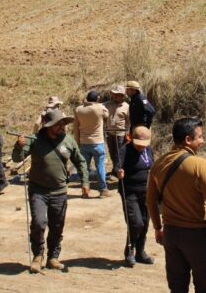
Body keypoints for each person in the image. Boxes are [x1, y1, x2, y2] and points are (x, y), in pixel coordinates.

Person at [147, 117, 206, 293]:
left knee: (177, 286)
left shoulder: (158, 164)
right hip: (198, 236)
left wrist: (157, 227)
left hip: (171, 234)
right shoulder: (201, 165)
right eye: (200, 137)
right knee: (205, 285)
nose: (202, 141)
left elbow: (150, 201)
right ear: (188, 140)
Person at [27, 108, 90, 273]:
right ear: (49, 126)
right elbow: (17, 158)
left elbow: (80, 161)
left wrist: (85, 181)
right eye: (58, 124)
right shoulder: (34, 140)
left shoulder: (69, 141)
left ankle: (53, 257)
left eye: (63, 123)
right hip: (38, 190)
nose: (62, 126)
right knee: (39, 223)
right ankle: (37, 256)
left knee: (57, 225)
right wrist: (19, 146)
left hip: (59, 191)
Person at [118, 126, 155, 268]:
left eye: (144, 145)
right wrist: (119, 172)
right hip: (130, 192)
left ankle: (140, 252)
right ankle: (129, 251)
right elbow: (117, 167)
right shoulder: (125, 150)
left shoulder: (149, 150)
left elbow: (153, 166)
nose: (141, 147)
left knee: (145, 223)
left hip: (146, 192)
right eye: (138, 144)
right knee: (136, 223)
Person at [74, 90, 111, 198]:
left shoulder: (78, 109)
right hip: (97, 143)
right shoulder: (100, 108)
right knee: (100, 167)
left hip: (84, 143)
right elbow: (107, 114)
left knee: (84, 168)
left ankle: (85, 190)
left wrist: (77, 142)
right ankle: (103, 190)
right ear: (97, 98)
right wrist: (98, 104)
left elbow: (76, 128)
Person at [104, 85, 130, 177]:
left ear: (122, 96)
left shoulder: (127, 107)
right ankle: (115, 169)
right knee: (112, 151)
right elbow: (99, 108)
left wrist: (127, 133)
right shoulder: (107, 104)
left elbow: (128, 121)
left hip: (121, 134)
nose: (115, 96)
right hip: (110, 132)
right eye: (114, 94)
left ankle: (118, 171)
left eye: (118, 95)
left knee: (119, 153)